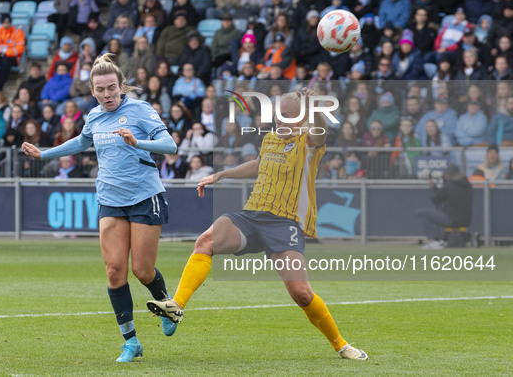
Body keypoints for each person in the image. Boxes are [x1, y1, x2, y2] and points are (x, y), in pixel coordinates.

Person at [147, 88, 368, 361]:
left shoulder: (309, 143)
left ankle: (341, 345)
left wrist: (314, 110)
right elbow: (258, 165)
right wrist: (221, 174)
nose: (279, 121)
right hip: (252, 215)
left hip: (284, 223)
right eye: (277, 116)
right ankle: (176, 305)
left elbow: (321, 131)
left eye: (287, 116)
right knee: (205, 242)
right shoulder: (271, 139)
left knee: (301, 294)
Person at [21, 54, 179, 362]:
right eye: (100, 90)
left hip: (145, 197)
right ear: (93, 91)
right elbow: (81, 142)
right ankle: (131, 342)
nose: (107, 95)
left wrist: (139, 143)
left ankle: (166, 305)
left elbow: (170, 145)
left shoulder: (141, 110)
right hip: (110, 200)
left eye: (111, 88)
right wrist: (44, 154)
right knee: (114, 270)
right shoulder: (93, 116)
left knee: (142, 270)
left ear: (122, 86)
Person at [417, 164, 473, 249]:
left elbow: (435, 199)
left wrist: (433, 187)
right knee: (440, 210)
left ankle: (434, 241)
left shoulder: (449, 185)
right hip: (466, 220)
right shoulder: (468, 185)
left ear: (448, 175)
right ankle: (441, 240)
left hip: (451, 219)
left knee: (421, 212)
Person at [0, 14, 26, 89]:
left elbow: (19, 49)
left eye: (8, 22)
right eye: (4, 22)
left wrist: (5, 52)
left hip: (12, 58)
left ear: (11, 22)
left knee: (5, 62)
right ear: (2, 23)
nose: (6, 24)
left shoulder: (18, 32)